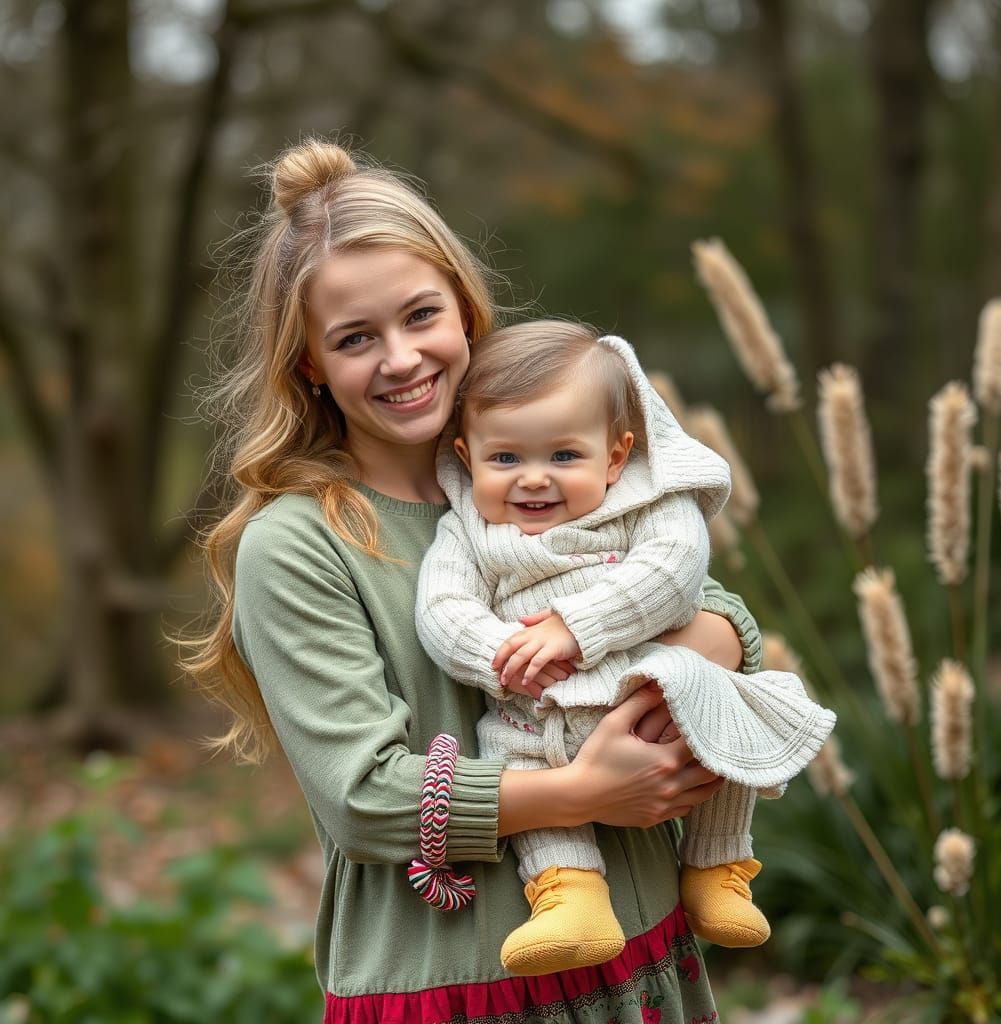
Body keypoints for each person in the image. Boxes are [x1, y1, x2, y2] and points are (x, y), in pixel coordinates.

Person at [185, 138, 767, 1024]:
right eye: (354, 339)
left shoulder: (548, 454)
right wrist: (582, 792)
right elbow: (364, 794)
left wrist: (690, 644)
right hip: (457, 980)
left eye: (421, 316)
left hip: (641, 941)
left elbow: (698, 591)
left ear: (462, 308)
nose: (401, 358)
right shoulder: (300, 543)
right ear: (309, 363)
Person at [415, 321, 836, 977]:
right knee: (518, 767)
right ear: (467, 457)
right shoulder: (467, 529)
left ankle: (717, 866)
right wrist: (503, 649)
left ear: (615, 456)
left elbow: (675, 569)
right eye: (505, 459)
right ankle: (568, 896)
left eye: (563, 456)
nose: (533, 480)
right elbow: (441, 608)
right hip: (541, 715)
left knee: (718, 720)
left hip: (655, 692)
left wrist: (575, 626)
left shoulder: (647, 500)